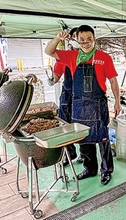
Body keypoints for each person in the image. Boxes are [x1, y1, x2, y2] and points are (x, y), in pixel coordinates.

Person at [45, 25, 121, 185]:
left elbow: (113, 80)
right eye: (82, 40)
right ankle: (90, 168)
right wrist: (58, 38)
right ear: (77, 40)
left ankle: (106, 170)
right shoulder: (71, 56)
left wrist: (117, 102)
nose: (86, 43)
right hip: (79, 104)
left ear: (94, 39)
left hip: (98, 103)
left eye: (89, 39)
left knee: (103, 138)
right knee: (84, 138)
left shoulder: (103, 57)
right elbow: (49, 51)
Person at [47, 27, 84, 166]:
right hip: (67, 96)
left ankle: (84, 154)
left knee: (82, 126)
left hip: (82, 98)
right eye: (73, 36)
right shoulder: (64, 56)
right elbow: (55, 78)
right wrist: (50, 79)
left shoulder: (88, 56)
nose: (76, 40)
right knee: (65, 126)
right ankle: (70, 153)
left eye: (78, 37)